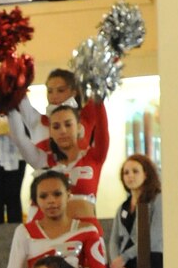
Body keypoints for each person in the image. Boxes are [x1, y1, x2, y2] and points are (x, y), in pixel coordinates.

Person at [0, 171, 117, 268]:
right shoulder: (24, 232)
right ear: (35, 201)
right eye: (43, 196)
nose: (51, 201)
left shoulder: (87, 230)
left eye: (57, 194)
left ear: (68, 195)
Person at [7, 94, 109, 223]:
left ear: (78, 127)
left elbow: (103, 129)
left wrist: (98, 94)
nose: (62, 131)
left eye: (68, 124)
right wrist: (9, 105)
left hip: (85, 236)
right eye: (56, 127)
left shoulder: (94, 157)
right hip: (47, 237)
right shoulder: (43, 161)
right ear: (50, 131)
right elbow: (19, 139)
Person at [109, 152, 164, 268]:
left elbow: (154, 238)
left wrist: (124, 257)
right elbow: (113, 240)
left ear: (146, 173)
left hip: (149, 262)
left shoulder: (157, 199)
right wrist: (118, 265)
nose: (130, 176)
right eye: (126, 172)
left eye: (135, 171)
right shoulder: (123, 207)